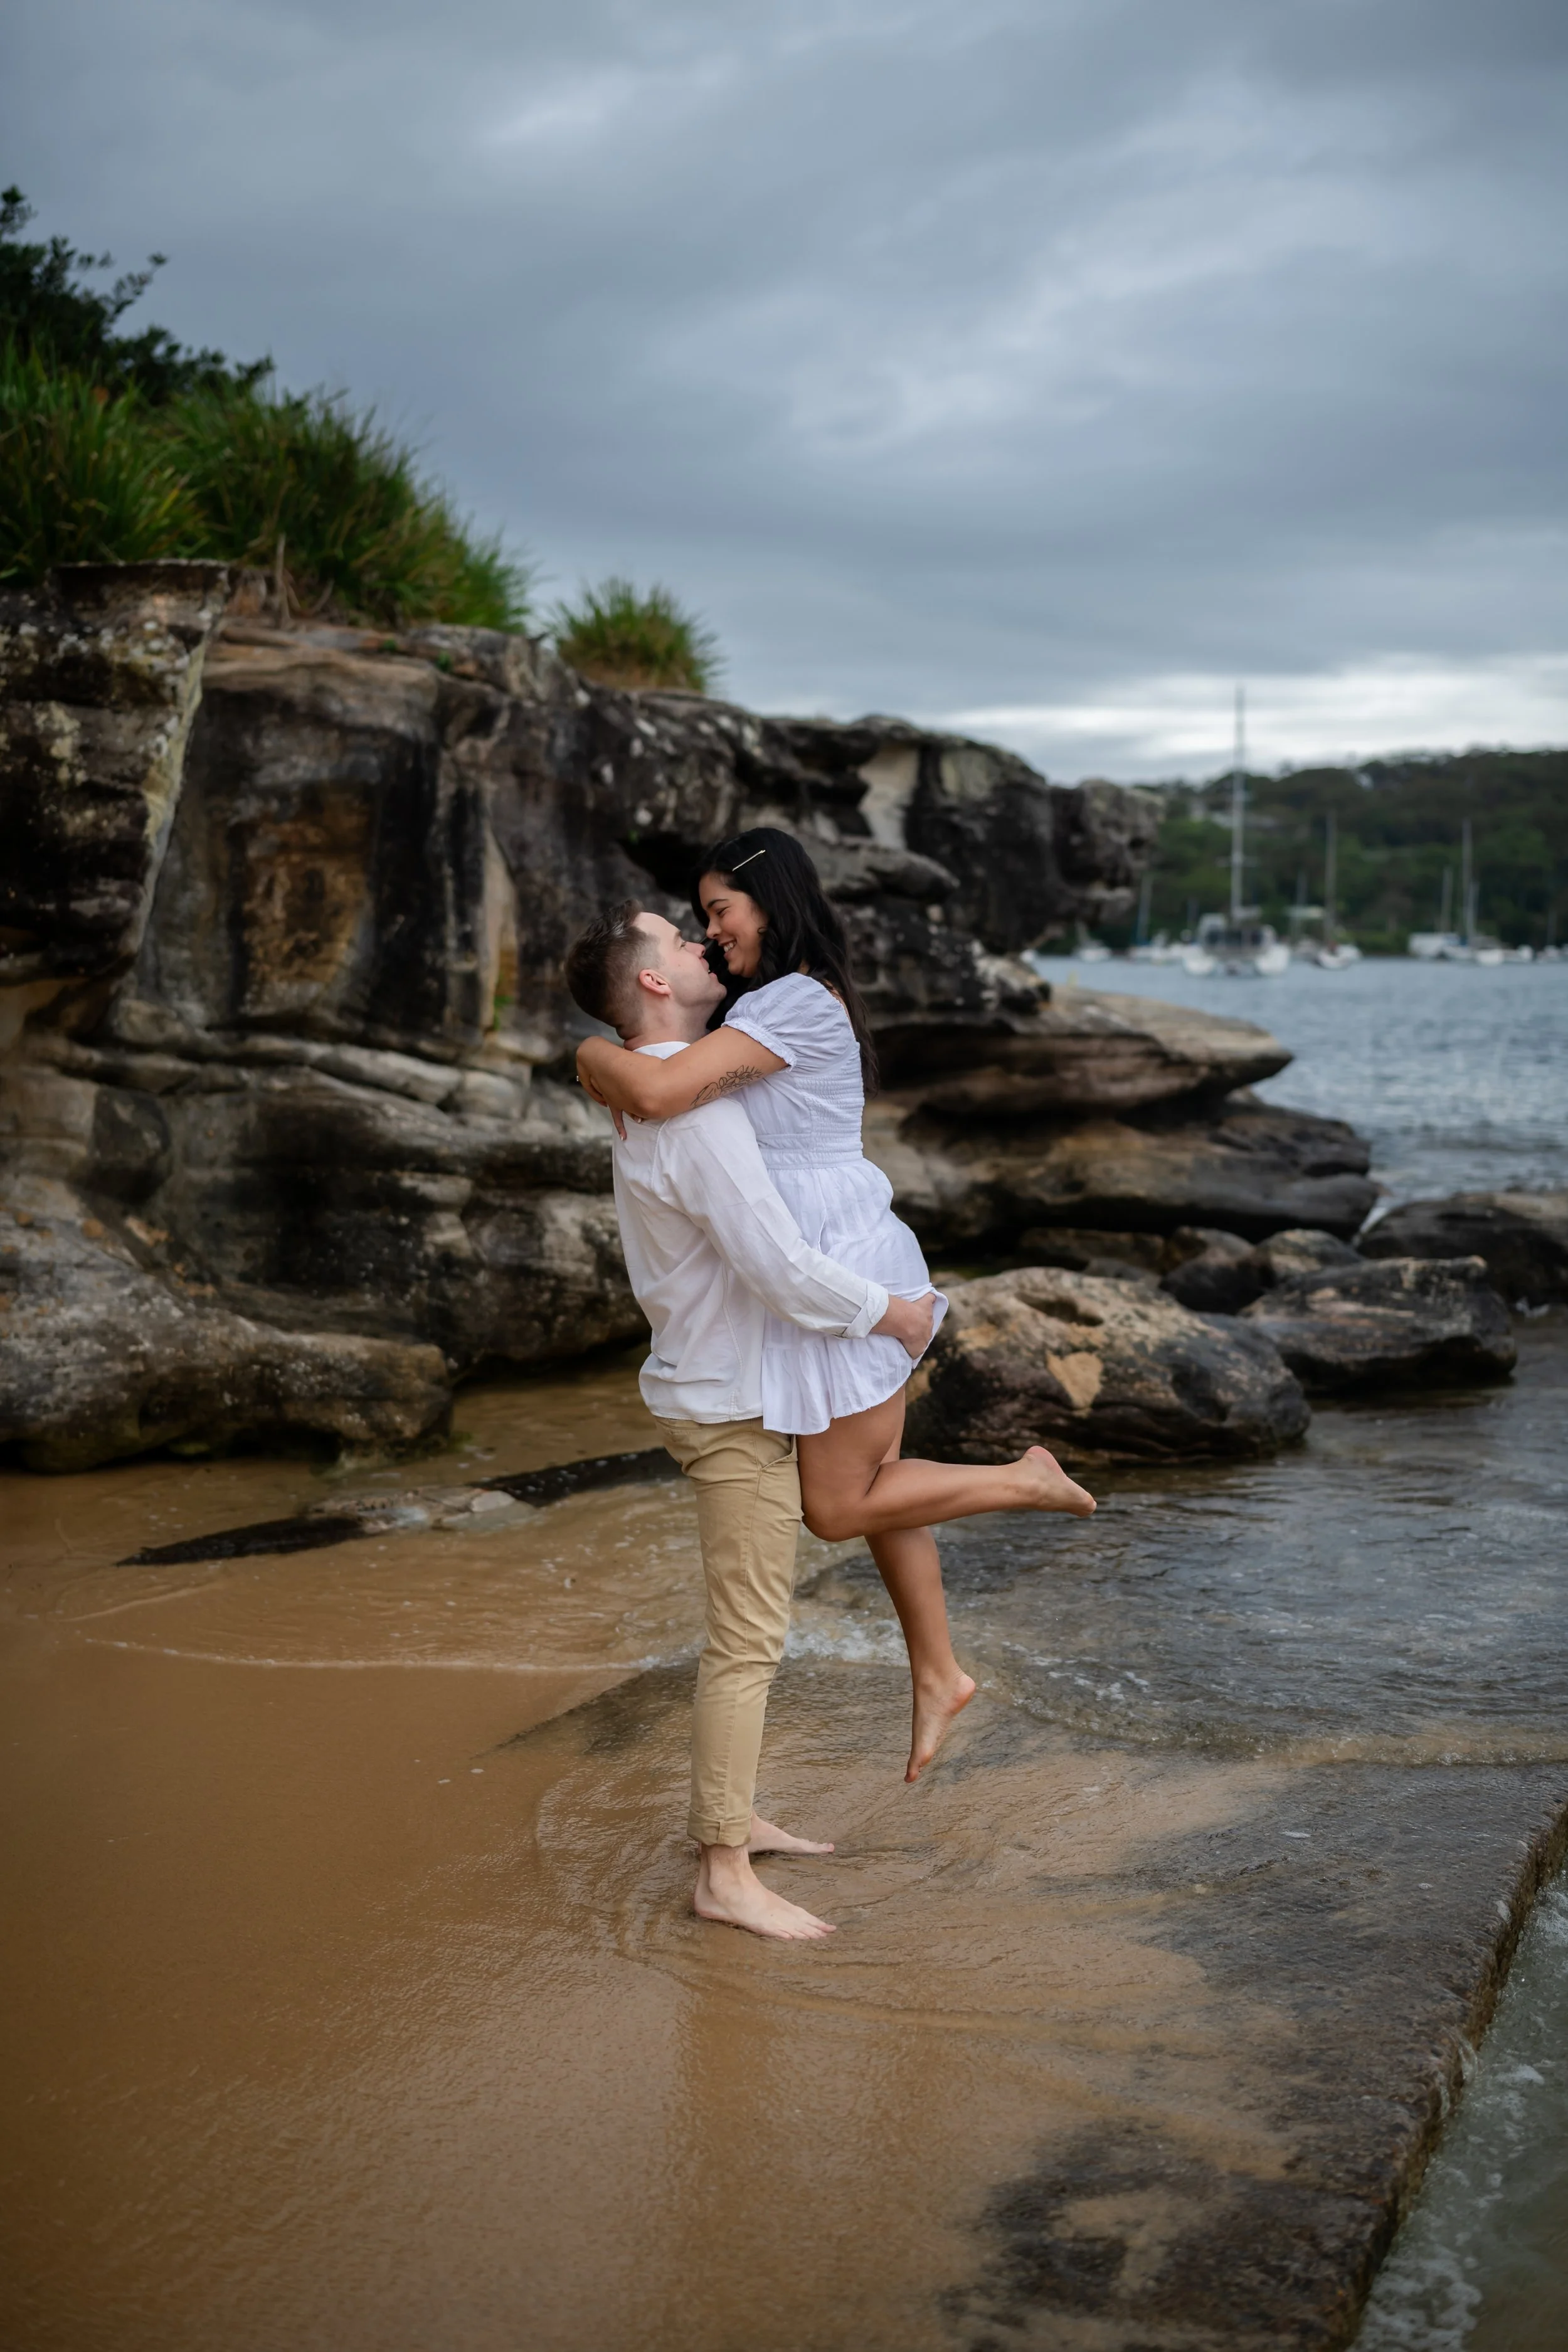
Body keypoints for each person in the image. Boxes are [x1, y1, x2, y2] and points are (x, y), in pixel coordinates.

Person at [576, 829, 1096, 1786]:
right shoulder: (768, 1003)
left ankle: (1025, 1481)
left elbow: (655, 1086)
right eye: (698, 919)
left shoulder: (795, 1000)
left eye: (720, 910)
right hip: (810, 1272)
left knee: (837, 1503)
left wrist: (586, 1050)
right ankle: (938, 1671)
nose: (711, 930)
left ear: (769, 901)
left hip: (840, 1265)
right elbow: (664, 1084)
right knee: (879, 1483)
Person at [563, 901, 936, 1943]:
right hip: (731, 1406)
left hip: (715, 1388)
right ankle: (722, 1870)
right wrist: (893, 1310)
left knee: (747, 1633)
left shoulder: (648, 1095)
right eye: (678, 941)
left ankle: (738, 1818)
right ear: (650, 983)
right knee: (744, 1643)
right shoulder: (696, 1113)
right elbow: (775, 1266)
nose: (698, 943)